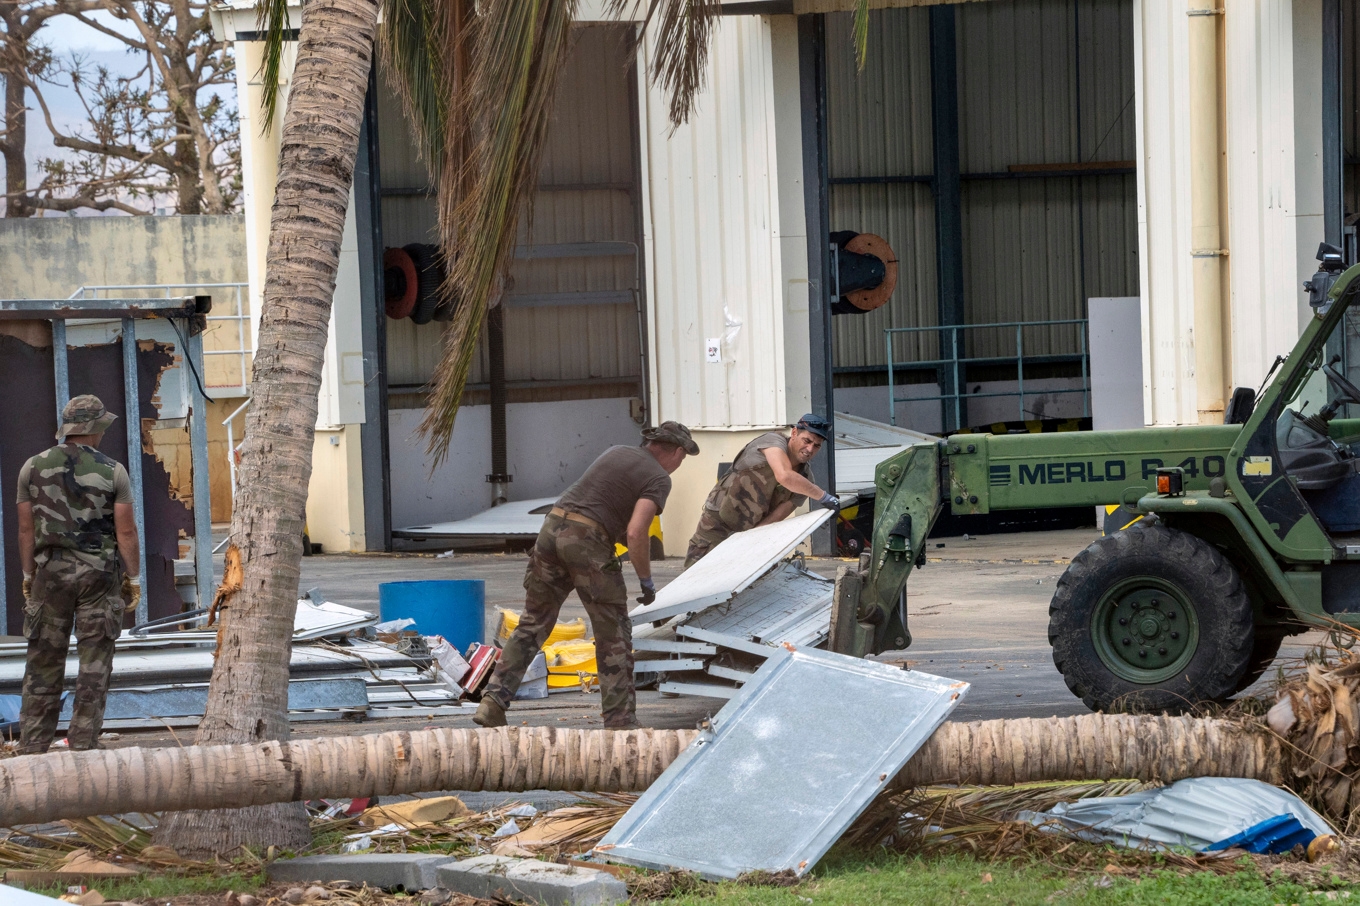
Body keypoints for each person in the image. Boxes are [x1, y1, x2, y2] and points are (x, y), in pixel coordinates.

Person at [475, 421, 699, 731]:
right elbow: (637, 532)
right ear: (675, 451)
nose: (679, 464)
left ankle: (493, 702)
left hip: (551, 530)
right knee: (613, 633)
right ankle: (620, 720)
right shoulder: (658, 478)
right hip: (587, 541)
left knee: (533, 623)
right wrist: (646, 582)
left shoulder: (616, 452)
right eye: (683, 457)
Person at [15, 395, 140, 754]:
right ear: (95, 427)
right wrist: (133, 578)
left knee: (43, 662)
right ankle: (83, 745)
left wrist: (28, 575)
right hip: (98, 578)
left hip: (49, 576)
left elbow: (25, 529)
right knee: (94, 665)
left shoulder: (31, 467)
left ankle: (33, 747)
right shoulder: (114, 471)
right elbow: (126, 531)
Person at [683, 413, 839, 569]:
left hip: (751, 531)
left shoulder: (805, 480)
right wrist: (823, 496)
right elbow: (784, 475)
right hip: (718, 523)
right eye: (807, 441)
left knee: (758, 578)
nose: (810, 449)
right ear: (794, 433)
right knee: (697, 574)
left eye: (817, 445)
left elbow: (776, 517)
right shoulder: (772, 442)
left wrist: (748, 540)